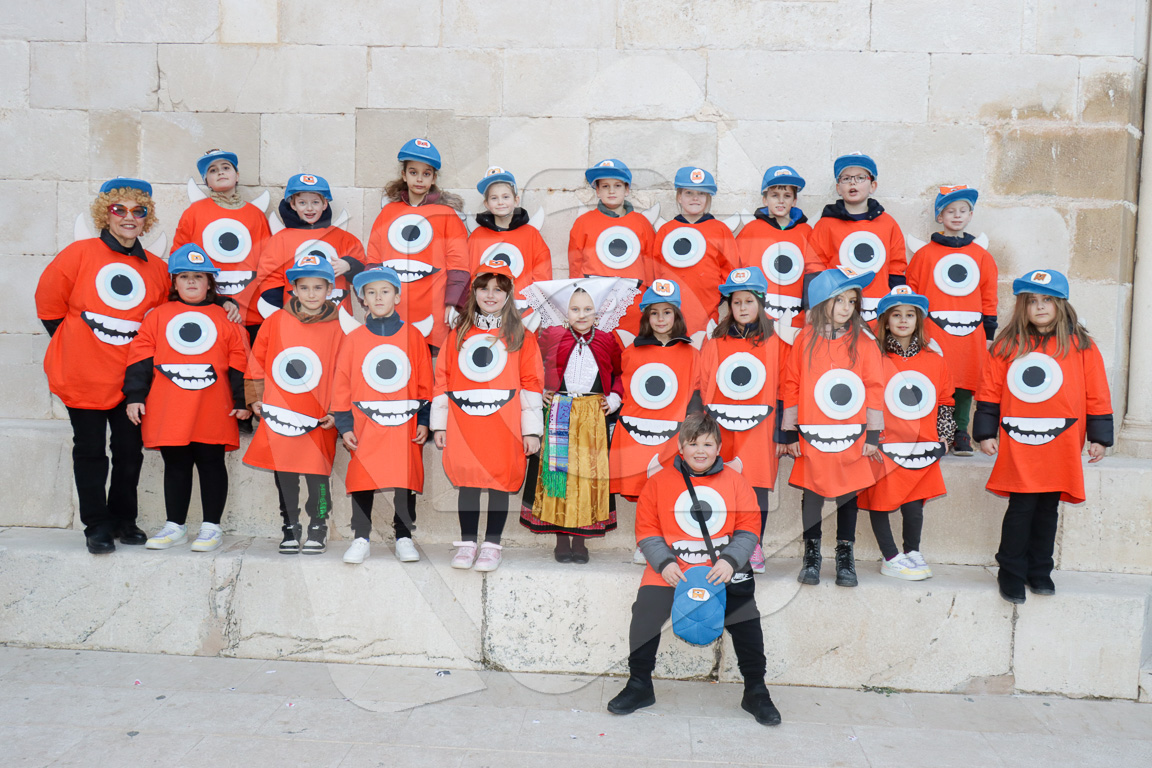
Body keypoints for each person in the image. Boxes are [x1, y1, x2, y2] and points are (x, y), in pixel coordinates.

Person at [606, 412, 781, 727]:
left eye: (708, 444)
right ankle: (639, 684)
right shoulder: (658, 482)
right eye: (693, 443)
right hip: (673, 568)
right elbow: (647, 530)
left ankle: (756, 689)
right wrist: (665, 563)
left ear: (718, 448)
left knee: (746, 619)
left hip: (722, 568)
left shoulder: (736, 481)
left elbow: (749, 527)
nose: (700, 451)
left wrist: (730, 561)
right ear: (681, 447)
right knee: (644, 611)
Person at [35, 177, 171, 554]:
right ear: (105, 214)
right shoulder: (78, 254)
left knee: (129, 452)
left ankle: (124, 518)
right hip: (83, 376)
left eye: (138, 211)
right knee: (90, 450)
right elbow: (49, 306)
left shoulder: (158, 269)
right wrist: (78, 345)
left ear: (146, 218)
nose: (129, 217)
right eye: (119, 209)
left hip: (131, 381)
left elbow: (163, 321)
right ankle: (96, 524)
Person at [974, 269, 1113, 604]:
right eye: (1032, 301)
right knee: (1022, 505)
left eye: (1047, 300)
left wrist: (1099, 437)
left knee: (1048, 506)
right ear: (1022, 306)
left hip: (1061, 441)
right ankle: (1011, 571)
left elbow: (1097, 392)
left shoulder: (1081, 346)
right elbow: (990, 390)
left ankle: (1039, 570)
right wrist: (985, 431)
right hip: (1020, 439)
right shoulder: (1007, 345)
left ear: (1060, 304)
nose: (1039, 307)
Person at [122, 245, 249, 553]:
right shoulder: (157, 316)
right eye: (184, 276)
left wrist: (242, 400)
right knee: (176, 463)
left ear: (210, 283)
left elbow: (240, 361)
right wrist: (135, 396)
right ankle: (175, 526)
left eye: (199, 276)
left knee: (211, 463)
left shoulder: (226, 318)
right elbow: (140, 357)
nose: (191, 281)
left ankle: (211, 527)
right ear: (174, 283)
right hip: (169, 406)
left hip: (213, 406)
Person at [431, 261, 544, 572]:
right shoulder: (458, 334)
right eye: (484, 289)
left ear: (508, 295)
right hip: (465, 423)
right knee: (468, 480)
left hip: (505, 424)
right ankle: (467, 543)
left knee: (499, 480)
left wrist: (531, 431)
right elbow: (443, 379)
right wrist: (439, 424)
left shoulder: (521, 336)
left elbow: (531, 383)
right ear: (474, 292)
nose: (490, 295)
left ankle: (492, 546)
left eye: (498, 290)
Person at [517, 277, 639, 563]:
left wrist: (615, 398)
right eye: (575, 309)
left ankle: (581, 539)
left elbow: (621, 372)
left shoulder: (607, 339)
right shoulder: (551, 335)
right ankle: (561, 537)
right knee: (559, 475)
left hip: (592, 415)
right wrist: (540, 392)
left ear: (597, 312)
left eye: (587, 309)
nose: (581, 315)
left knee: (587, 475)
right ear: (565, 311)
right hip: (559, 411)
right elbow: (532, 365)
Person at [781, 267, 885, 587]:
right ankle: (812, 553)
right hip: (813, 433)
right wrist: (790, 432)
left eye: (851, 301)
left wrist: (872, 434)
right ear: (821, 301)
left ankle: (845, 553)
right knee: (812, 491)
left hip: (850, 435)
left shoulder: (864, 342)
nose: (845, 307)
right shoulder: (804, 339)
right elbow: (792, 383)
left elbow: (874, 387)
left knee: (848, 493)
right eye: (839, 300)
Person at [243, 253, 344, 555]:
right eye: (304, 287)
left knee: (318, 474)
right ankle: (290, 524)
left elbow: (346, 373)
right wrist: (255, 398)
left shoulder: (341, 326)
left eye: (318, 287)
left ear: (330, 289)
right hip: (282, 412)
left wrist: (337, 410)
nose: (311, 294)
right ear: (294, 289)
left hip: (319, 415)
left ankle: (318, 524)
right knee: (285, 472)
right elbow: (257, 360)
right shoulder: (275, 321)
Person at [332, 267, 433, 565]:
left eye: (385, 291)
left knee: (404, 476)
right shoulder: (354, 339)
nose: (378, 297)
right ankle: (361, 537)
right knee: (363, 477)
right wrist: (345, 425)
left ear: (397, 297)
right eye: (371, 292)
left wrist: (424, 420)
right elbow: (342, 384)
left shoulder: (413, 336)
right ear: (362, 299)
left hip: (405, 423)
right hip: (365, 423)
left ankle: (404, 535)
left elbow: (425, 382)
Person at [858, 287, 956, 580]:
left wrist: (944, 436)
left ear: (918, 320)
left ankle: (912, 551)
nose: (903, 320)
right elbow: (863, 400)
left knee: (914, 504)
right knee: (881, 499)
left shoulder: (934, 359)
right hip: (884, 443)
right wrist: (868, 437)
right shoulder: (873, 357)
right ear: (886, 321)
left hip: (921, 444)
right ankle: (890, 557)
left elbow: (945, 401)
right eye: (896, 315)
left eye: (910, 315)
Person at [700, 267, 792, 574]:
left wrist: (784, 434)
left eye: (749, 301)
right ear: (729, 305)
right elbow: (704, 382)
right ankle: (723, 542)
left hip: (761, 427)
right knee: (721, 481)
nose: (742, 308)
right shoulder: (716, 341)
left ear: (761, 303)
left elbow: (785, 387)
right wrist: (702, 428)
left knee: (756, 486)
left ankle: (753, 545)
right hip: (721, 424)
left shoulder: (776, 341)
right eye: (736, 302)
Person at [905, 185, 998, 456]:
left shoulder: (982, 256)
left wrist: (989, 332)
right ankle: (932, 429)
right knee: (933, 377)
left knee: (966, 378)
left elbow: (989, 295)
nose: (957, 216)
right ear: (940, 216)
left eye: (962, 211)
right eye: (950, 211)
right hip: (933, 330)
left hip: (971, 332)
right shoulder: (924, 255)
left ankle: (960, 431)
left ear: (970, 215)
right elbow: (912, 293)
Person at [366, 138, 470, 353]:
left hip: (434, 313)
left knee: (427, 370)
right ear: (404, 175)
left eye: (426, 173)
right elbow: (374, 262)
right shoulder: (388, 213)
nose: (420, 179)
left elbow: (458, 264)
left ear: (434, 178)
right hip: (392, 311)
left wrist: (453, 303)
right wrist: (370, 300)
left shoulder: (447, 215)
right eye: (413, 172)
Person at [609, 279, 702, 502]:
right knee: (643, 497)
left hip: (672, 437)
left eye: (667, 312)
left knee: (670, 493)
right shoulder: (631, 352)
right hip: (636, 435)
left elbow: (697, 393)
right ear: (646, 317)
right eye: (654, 313)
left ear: (676, 315)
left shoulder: (691, 354)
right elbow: (622, 389)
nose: (661, 319)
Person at [251, 173, 365, 337]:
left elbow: (365, 274)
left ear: (325, 204)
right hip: (296, 323)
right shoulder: (280, 240)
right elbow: (269, 278)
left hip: (338, 323)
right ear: (293, 204)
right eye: (302, 203)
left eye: (315, 202)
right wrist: (278, 314)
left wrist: (349, 265)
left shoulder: (344, 239)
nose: (309, 208)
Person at [171, 148, 272, 313]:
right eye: (213, 170)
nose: (220, 172)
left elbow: (267, 259)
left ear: (237, 175)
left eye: (226, 167)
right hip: (206, 305)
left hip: (250, 307)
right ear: (207, 181)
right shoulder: (193, 213)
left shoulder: (256, 215)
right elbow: (179, 257)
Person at [808, 153, 907, 321]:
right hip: (838, 309)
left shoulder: (888, 224)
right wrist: (813, 307)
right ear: (838, 188)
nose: (852, 182)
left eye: (860, 178)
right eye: (846, 178)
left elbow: (896, 268)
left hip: (878, 308)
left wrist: (897, 306)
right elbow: (814, 268)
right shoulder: (825, 225)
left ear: (873, 185)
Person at [567, 159, 656, 334]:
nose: (612, 191)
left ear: (627, 189)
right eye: (605, 186)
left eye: (617, 185)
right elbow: (575, 264)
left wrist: (650, 299)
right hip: (595, 303)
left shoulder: (641, 223)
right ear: (597, 191)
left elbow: (651, 264)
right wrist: (578, 298)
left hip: (634, 304)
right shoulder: (583, 223)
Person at [652, 167, 739, 334]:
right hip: (671, 306)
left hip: (707, 306)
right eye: (689, 193)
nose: (695, 198)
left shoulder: (720, 230)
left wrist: (719, 295)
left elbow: (730, 268)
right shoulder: (666, 230)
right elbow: (656, 267)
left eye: (701, 193)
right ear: (679, 196)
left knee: (703, 343)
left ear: (708, 197)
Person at [735, 165, 819, 328]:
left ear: (794, 201)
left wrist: (810, 306)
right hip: (757, 319)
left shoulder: (806, 232)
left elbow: (814, 271)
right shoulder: (751, 230)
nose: (781, 201)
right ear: (765, 199)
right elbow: (736, 269)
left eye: (787, 196)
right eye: (775, 195)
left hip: (795, 319)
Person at [467, 167, 553, 317]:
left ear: (516, 200)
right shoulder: (477, 236)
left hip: (523, 311)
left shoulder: (530, 234)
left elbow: (542, 273)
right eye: (494, 198)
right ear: (486, 203)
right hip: (485, 311)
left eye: (506, 197)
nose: (500, 202)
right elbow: (469, 273)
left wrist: (537, 308)